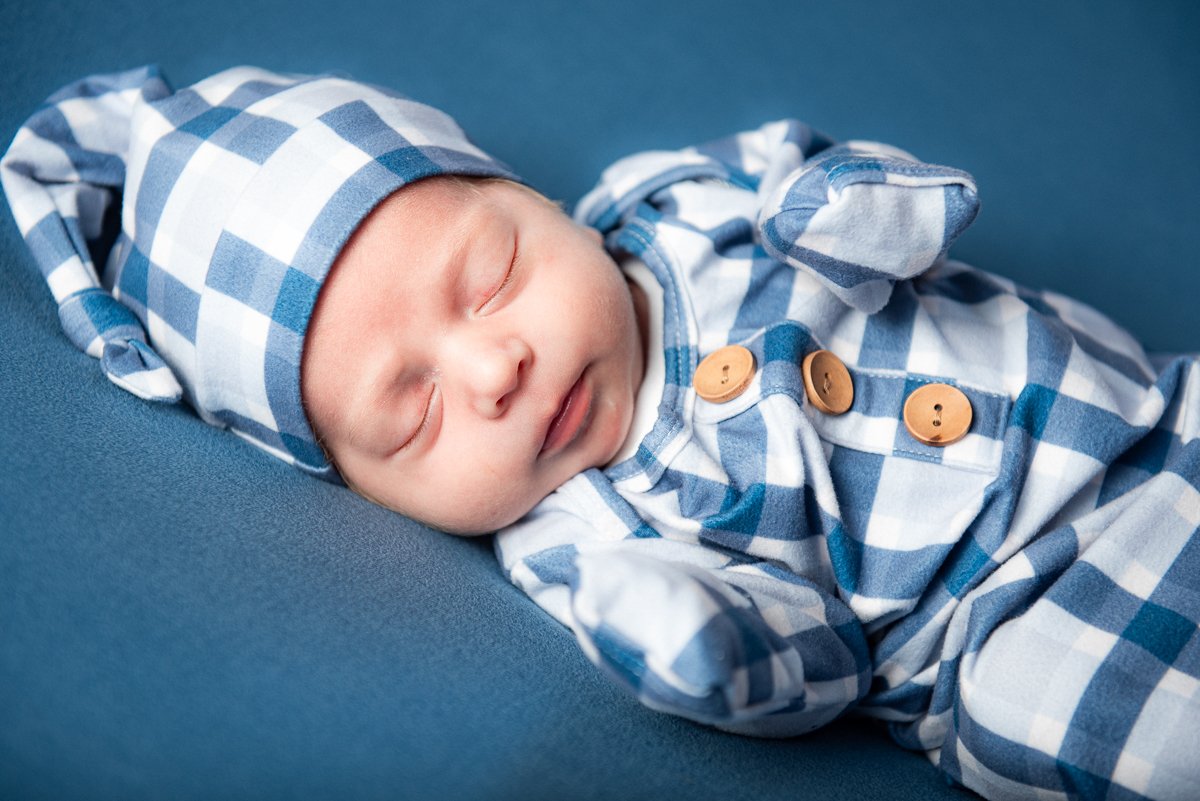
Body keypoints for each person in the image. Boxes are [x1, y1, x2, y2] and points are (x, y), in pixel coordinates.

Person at [4, 65, 1197, 801]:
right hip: (1013, 624)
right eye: (409, 411)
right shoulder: (585, 544)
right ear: (365, 494)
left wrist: (853, 210)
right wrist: (707, 640)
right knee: (1047, 721)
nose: (493, 367)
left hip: (1149, 405)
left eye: (489, 276)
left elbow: (814, 175)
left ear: (530, 195)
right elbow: (823, 658)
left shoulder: (673, 207)